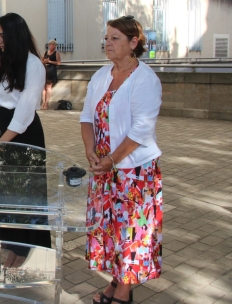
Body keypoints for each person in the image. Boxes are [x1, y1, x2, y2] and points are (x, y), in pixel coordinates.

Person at [80, 16, 162, 304]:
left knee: (131, 232)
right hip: (104, 169)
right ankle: (117, 281)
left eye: (115, 38)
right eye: (106, 37)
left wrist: (112, 160)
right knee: (110, 232)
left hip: (133, 171)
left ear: (133, 43)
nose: (108, 43)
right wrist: (91, 150)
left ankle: (124, 293)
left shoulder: (145, 79)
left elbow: (141, 130)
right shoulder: (102, 75)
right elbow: (86, 118)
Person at [0, 12, 51, 264]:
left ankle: (24, 249)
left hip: (23, 132)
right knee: (4, 191)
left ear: (14, 35)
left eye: (2, 35)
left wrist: (5, 140)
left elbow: (26, 107)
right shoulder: (3, 61)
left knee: (24, 191)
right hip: (1, 128)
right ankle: (9, 243)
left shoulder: (33, 64)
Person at [41, 39, 61, 109]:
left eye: (55, 45)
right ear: (49, 45)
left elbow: (58, 63)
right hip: (45, 70)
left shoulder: (56, 53)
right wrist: (45, 61)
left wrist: (49, 61)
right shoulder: (45, 52)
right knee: (43, 88)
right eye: (53, 45)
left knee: (48, 87)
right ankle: (43, 102)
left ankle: (46, 103)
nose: (54, 46)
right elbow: (41, 60)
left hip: (51, 70)